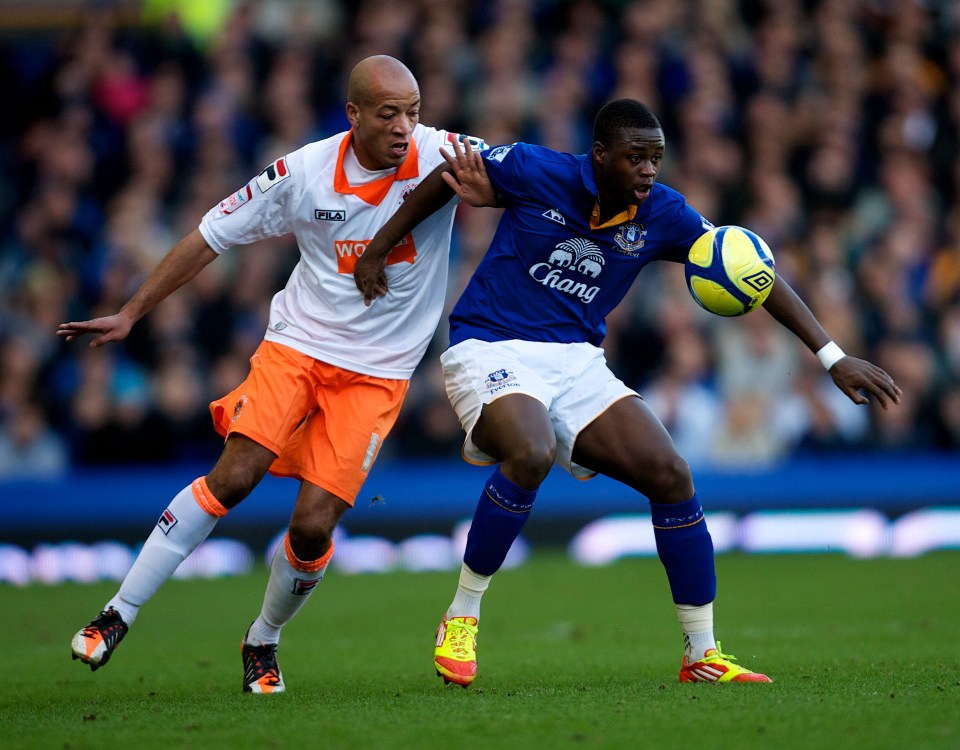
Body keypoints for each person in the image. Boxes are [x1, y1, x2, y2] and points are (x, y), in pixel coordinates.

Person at [355, 99, 902, 686]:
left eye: (656, 159)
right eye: (635, 157)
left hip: (578, 363)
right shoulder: (538, 170)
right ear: (599, 156)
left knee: (671, 473)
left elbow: (752, 272)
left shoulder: (664, 214)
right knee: (532, 452)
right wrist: (379, 247)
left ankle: (702, 653)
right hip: (490, 346)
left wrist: (833, 357)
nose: (648, 170)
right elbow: (447, 174)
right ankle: (461, 616)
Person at [59, 55, 485, 694]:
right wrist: (130, 312)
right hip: (300, 345)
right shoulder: (303, 172)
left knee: (313, 526)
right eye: (389, 113)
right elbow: (211, 234)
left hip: (378, 372)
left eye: (414, 112)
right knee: (235, 475)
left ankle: (262, 640)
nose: (405, 127)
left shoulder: (444, 153)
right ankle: (118, 612)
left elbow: (529, 170)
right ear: (354, 114)